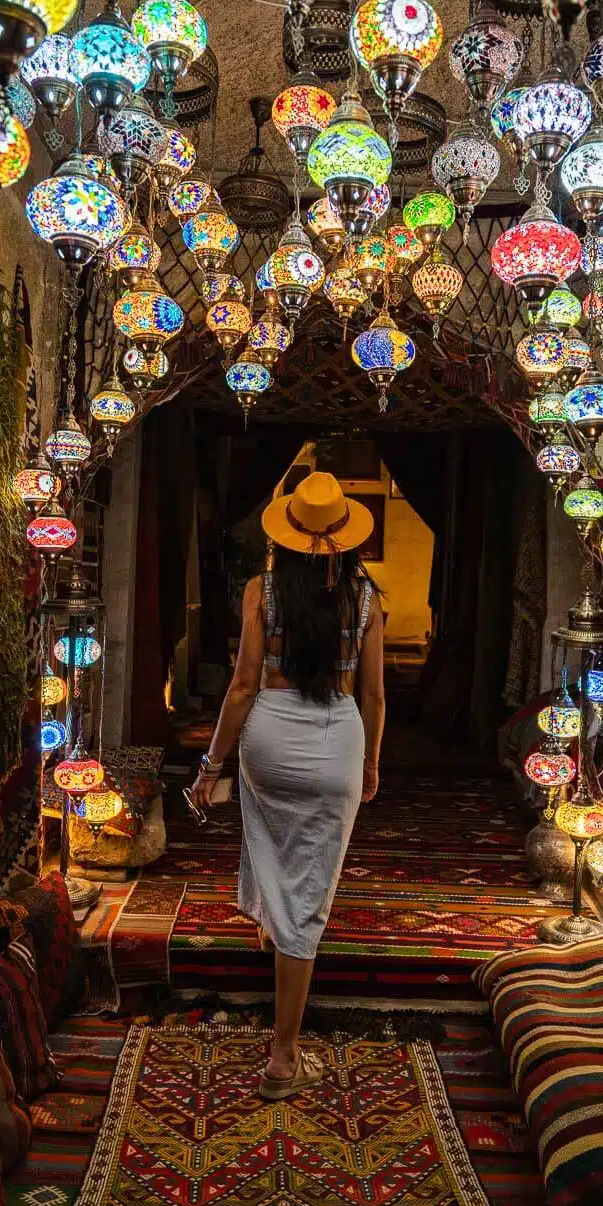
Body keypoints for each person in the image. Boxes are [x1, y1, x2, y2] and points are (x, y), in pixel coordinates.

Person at [189, 471, 385, 1100]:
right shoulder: (368, 599)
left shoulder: (260, 593)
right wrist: (373, 764)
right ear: (345, 538)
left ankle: (276, 928)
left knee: (270, 838)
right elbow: (375, 694)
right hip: (337, 743)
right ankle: (282, 1054)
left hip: (267, 740)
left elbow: (243, 686)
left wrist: (209, 766)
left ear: (289, 535)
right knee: (311, 896)